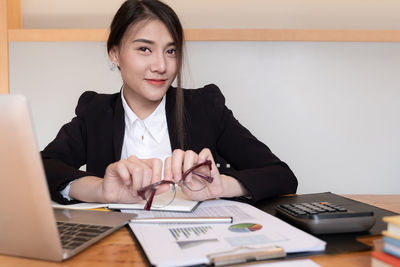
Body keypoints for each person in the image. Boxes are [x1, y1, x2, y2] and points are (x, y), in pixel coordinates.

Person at [41, 0, 297, 206]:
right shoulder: (95, 112)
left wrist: (222, 186)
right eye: (144, 49)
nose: (161, 66)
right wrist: (100, 190)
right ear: (115, 53)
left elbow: (281, 175)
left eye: (171, 51)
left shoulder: (205, 107)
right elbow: (42, 168)